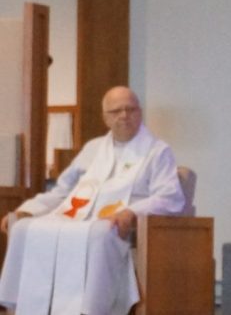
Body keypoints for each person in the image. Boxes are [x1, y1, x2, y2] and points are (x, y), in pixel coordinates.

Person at [0, 86, 185, 315]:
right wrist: (29, 209)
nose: (124, 116)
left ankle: (91, 309)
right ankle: (18, 304)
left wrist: (130, 212)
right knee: (22, 227)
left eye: (131, 109)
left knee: (101, 232)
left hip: (121, 225)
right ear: (105, 118)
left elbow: (169, 196)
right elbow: (63, 190)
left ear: (140, 112)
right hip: (77, 218)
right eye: (116, 111)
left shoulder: (157, 151)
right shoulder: (93, 148)